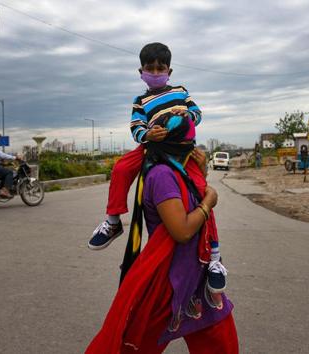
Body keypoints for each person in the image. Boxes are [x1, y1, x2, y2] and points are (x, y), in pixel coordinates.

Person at [86, 114, 238, 354]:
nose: (193, 150)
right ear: (180, 145)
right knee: (136, 346)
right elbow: (183, 230)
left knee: (222, 345)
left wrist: (201, 173)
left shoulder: (180, 172)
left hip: (198, 278)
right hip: (169, 281)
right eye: (190, 145)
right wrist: (209, 202)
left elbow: (191, 199)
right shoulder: (162, 175)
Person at [87, 42, 226, 292]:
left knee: (202, 193)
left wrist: (181, 118)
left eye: (160, 68)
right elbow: (136, 128)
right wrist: (148, 134)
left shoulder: (181, 91)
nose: (155, 72)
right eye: (150, 68)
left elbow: (197, 113)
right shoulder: (140, 100)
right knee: (120, 168)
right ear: (141, 72)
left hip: (184, 149)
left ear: (169, 72)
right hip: (153, 147)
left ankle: (215, 257)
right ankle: (113, 221)